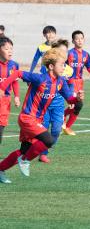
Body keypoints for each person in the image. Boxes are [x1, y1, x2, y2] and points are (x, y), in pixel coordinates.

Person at [0, 48, 84, 184]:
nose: (64, 67)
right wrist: (2, 87)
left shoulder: (60, 82)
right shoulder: (40, 79)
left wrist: (78, 99)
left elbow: (70, 99)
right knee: (49, 140)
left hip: (36, 120)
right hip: (27, 118)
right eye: (62, 64)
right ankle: (26, 160)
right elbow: (18, 73)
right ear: (51, 66)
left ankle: (1, 169)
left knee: (24, 150)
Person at [37, 39, 72, 163]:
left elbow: (69, 87)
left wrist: (71, 99)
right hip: (44, 105)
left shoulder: (69, 70)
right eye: (61, 51)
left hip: (58, 105)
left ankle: (44, 148)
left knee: (56, 130)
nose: (64, 54)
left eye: (65, 52)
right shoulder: (46, 69)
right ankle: (42, 153)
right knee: (44, 129)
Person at [63, 30, 90, 136]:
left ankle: (65, 124)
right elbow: (61, 65)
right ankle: (65, 125)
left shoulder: (86, 54)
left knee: (78, 106)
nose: (80, 41)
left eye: (81, 38)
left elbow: (88, 66)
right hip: (70, 82)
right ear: (73, 41)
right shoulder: (69, 53)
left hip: (80, 83)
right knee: (76, 104)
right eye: (77, 39)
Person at [0, 37, 20, 153]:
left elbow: (15, 81)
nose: (10, 51)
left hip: (5, 100)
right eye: (6, 48)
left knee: (1, 125)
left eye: (11, 49)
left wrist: (16, 96)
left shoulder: (14, 65)